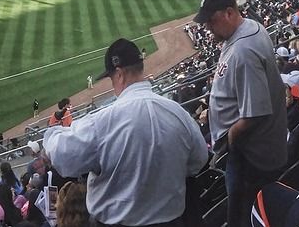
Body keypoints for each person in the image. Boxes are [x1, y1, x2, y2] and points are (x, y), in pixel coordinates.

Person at [43, 38, 209, 227]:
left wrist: (50, 134)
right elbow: (199, 159)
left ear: (119, 74)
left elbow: (62, 157)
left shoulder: (103, 121)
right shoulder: (178, 112)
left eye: (112, 78)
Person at [195, 0, 287, 227]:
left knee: (241, 213)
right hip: (259, 148)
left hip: (250, 155)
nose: (208, 28)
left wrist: (231, 139)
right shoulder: (249, 28)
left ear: (229, 13)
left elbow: (255, 113)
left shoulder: (244, 51)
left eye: (211, 21)